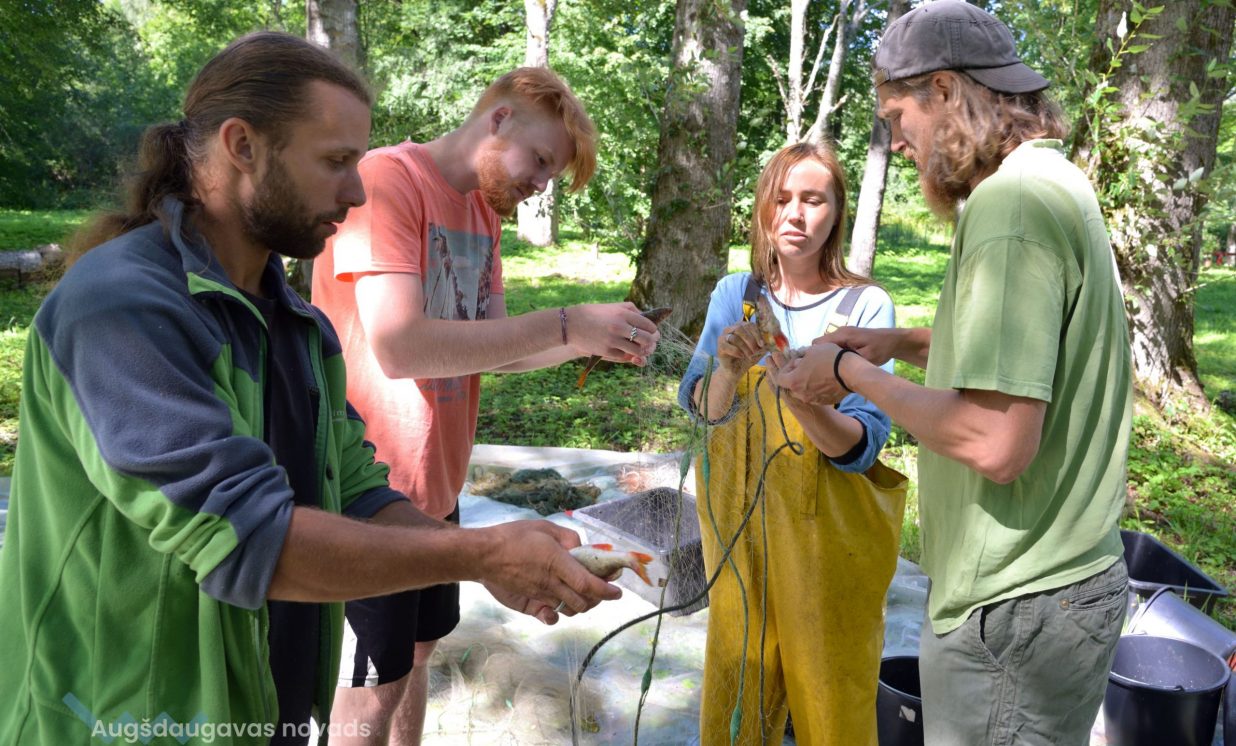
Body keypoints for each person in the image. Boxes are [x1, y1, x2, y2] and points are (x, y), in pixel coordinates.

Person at [0, 32, 621, 746]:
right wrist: (478, 555)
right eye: (335, 161)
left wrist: (493, 555)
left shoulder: (298, 327)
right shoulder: (120, 309)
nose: (356, 190)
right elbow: (247, 536)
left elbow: (358, 492)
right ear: (242, 146)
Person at [773, 2, 1133, 744]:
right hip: (1056, 588)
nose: (897, 140)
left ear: (943, 90)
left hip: (1015, 606)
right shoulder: (1051, 179)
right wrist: (898, 342)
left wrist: (848, 371)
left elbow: (996, 441)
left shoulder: (1010, 206)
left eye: (896, 116)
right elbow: (1026, 356)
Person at [310, 67, 660, 744]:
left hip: (436, 485)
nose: (542, 184)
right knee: (369, 694)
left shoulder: (479, 214)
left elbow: (491, 347)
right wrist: (564, 322)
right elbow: (400, 347)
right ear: (498, 119)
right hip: (365, 488)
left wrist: (583, 342)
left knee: (415, 658)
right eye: (542, 161)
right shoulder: (388, 180)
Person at [677, 141, 907, 745]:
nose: (795, 215)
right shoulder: (736, 295)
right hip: (740, 543)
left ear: (837, 213)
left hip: (826, 551)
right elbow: (704, 412)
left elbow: (860, 446)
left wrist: (799, 395)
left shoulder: (865, 307)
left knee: (831, 706)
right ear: (763, 207)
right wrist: (727, 370)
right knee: (739, 693)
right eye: (781, 199)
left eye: (813, 200)